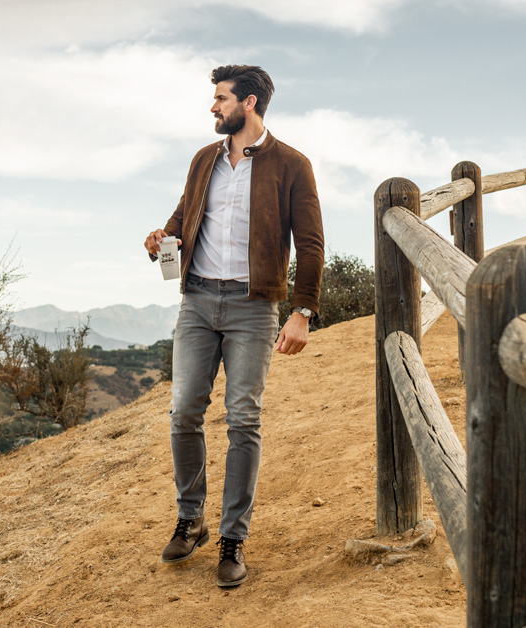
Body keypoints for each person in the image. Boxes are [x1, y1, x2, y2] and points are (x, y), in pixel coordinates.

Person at [143, 65, 324, 588]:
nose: (212, 108)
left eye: (220, 99)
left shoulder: (292, 165)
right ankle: (191, 519)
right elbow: (183, 218)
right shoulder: (204, 160)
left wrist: (302, 311)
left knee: (243, 419)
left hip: (252, 307)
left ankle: (233, 538)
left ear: (248, 103)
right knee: (183, 413)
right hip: (197, 300)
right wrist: (161, 238)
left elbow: (311, 244)